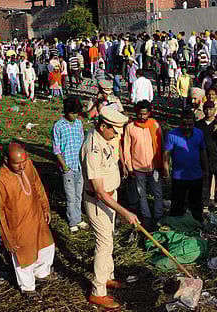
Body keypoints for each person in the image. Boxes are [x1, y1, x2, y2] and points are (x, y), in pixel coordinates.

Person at [81, 108, 139, 309]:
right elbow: (99, 191)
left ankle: (107, 276)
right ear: (103, 126)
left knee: (109, 239)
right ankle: (98, 291)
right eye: (115, 131)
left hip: (109, 196)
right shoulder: (93, 148)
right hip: (99, 202)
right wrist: (126, 212)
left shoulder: (103, 138)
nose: (118, 135)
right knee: (103, 244)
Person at [0, 143, 56, 302]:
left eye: (23, 161)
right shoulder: (0, 179)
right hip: (18, 224)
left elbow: (37, 185)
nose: (21, 166)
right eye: (16, 163)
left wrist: (45, 207)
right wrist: (6, 237)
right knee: (24, 257)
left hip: (37, 216)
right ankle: (28, 288)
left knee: (46, 245)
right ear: (6, 160)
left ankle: (42, 273)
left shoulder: (28, 164)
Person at [163, 110, 208, 223]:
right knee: (177, 204)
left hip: (196, 175)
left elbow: (202, 152)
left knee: (196, 204)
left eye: (190, 125)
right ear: (179, 122)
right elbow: (166, 156)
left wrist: (205, 169)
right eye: (184, 125)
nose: (187, 127)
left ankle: (197, 225)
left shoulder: (199, 133)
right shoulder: (172, 134)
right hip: (178, 177)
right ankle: (176, 225)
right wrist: (166, 173)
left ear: (194, 123)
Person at [124, 101, 164, 229]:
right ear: (136, 113)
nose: (142, 117)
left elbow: (161, 145)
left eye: (145, 114)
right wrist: (129, 167)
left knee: (158, 192)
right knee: (142, 193)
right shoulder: (130, 127)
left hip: (154, 166)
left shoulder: (155, 126)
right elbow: (126, 148)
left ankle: (159, 215)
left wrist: (163, 164)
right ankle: (146, 216)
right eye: (140, 114)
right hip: (138, 166)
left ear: (149, 114)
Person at [51, 97, 88, 233]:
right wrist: (64, 166)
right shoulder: (58, 126)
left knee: (79, 194)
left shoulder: (78, 124)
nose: (74, 116)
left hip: (79, 165)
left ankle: (78, 218)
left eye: (76, 113)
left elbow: (82, 142)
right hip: (68, 166)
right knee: (70, 196)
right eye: (72, 113)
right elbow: (56, 149)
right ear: (66, 112)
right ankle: (72, 220)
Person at [195, 100, 217, 209]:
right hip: (203, 158)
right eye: (206, 109)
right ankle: (204, 205)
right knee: (204, 182)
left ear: (215, 110)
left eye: (210, 109)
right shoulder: (198, 125)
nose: (208, 112)